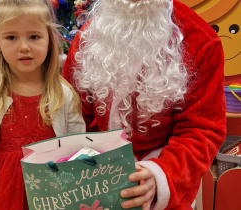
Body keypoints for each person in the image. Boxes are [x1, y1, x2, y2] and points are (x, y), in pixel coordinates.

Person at [62, 0, 226, 209]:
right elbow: (71, 114)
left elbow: (202, 130)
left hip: (162, 178)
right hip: (94, 180)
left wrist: (160, 176)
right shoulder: (90, 35)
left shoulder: (200, 41)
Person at [0, 0, 85, 209]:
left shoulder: (63, 95)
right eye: (11, 37)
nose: (24, 47)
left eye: (34, 36)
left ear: (49, 40)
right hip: (5, 195)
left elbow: (78, 147)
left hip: (55, 195)